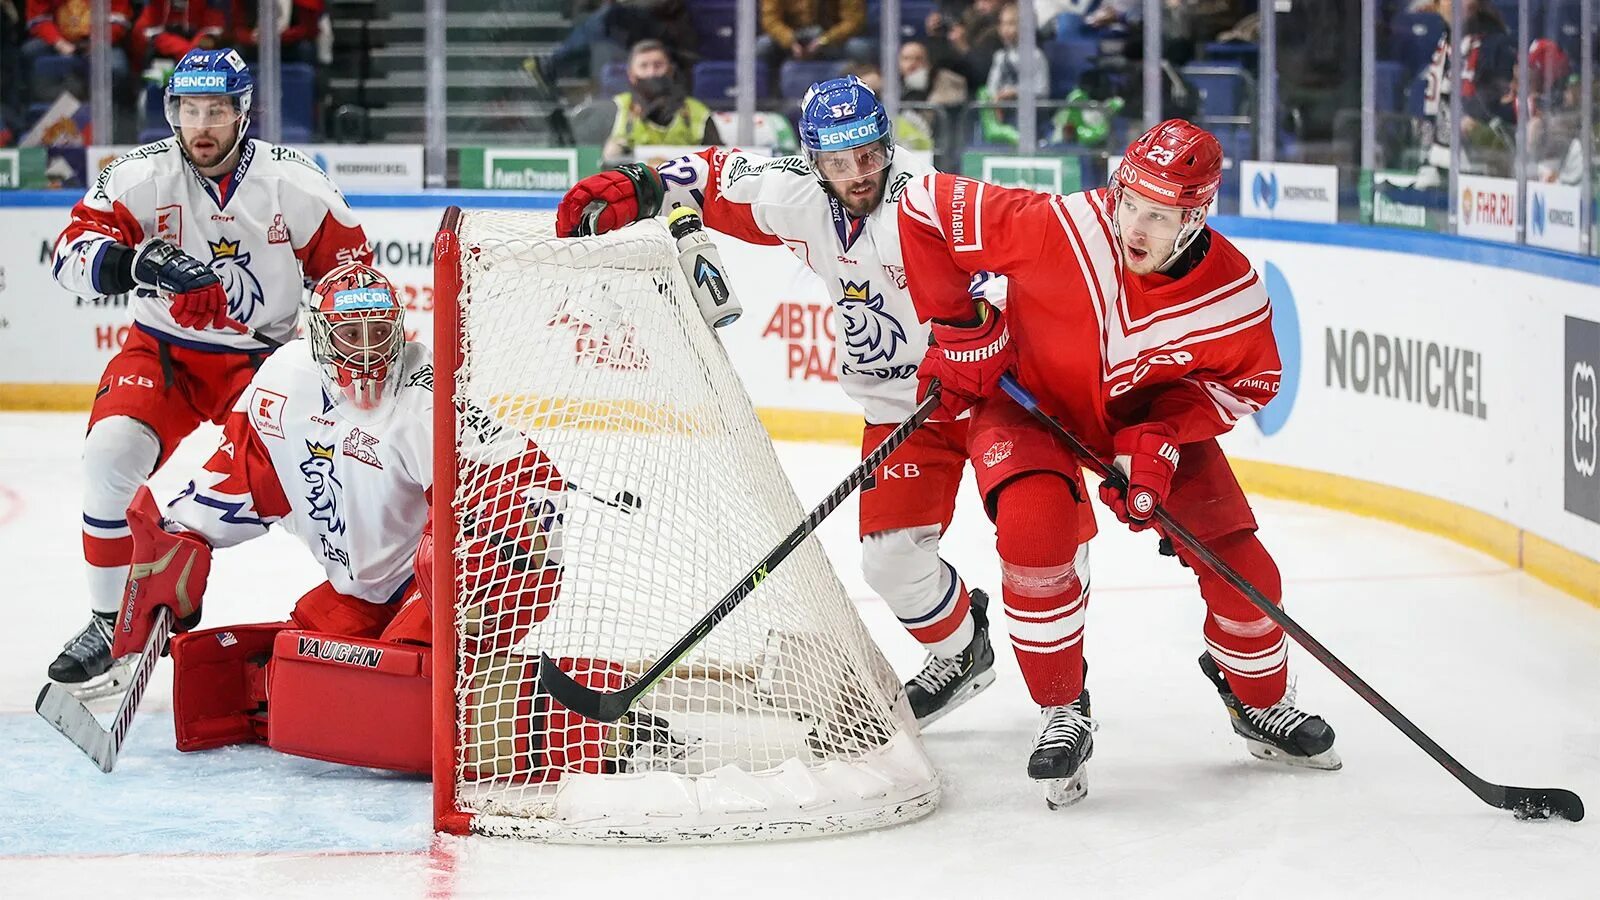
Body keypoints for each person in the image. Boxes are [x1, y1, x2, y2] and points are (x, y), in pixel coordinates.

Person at [553, 75, 1031, 728]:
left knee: (1042, 539)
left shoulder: (927, 202)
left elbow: (1007, 275)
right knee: (892, 562)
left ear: (888, 144)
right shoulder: (795, 193)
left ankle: (1072, 697)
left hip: (992, 392)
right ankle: (960, 651)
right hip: (903, 407)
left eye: (869, 154)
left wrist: (981, 332)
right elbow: (712, 174)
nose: (859, 173)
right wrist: (640, 184)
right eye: (838, 161)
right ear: (812, 160)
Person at [897, 118, 1340, 808]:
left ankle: (1259, 701)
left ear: (1197, 214)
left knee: (1247, 572)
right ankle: (1062, 709)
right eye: (1131, 202)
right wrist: (960, 330)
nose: (1136, 225)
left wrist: (1163, 434)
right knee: (1035, 537)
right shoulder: (1061, 227)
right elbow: (922, 205)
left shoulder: (1234, 293)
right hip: (1027, 401)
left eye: (1160, 215)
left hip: (1141, 421)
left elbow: (1247, 385)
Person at [110, 262, 672, 774]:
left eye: (379, 331)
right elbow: (249, 471)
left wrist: (455, 552)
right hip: (373, 585)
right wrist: (184, 533)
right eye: (349, 334)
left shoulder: (427, 398)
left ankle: (602, 720)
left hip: (475, 573)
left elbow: (527, 481)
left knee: (406, 697)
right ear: (319, 338)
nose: (366, 351)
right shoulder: (284, 384)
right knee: (306, 657)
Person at [44, 47, 371, 700]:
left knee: (324, 491)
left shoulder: (295, 185)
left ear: (242, 111)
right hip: (163, 354)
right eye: (188, 110)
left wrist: (339, 339)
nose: (201, 126)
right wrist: (139, 264)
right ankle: (110, 623)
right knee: (108, 459)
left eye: (216, 111)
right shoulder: (138, 176)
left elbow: (352, 276)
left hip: (264, 364)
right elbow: (69, 254)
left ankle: (369, 609)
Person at [1415, 0, 1515, 186]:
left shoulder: (1495, 45)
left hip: (1477, 168)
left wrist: (1479, 123)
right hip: (1439, 161)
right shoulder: (1444, 44)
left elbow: (1503, 103)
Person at [600, 39, 720, 164]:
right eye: (643, 66)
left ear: (670, 70)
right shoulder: (616, 108)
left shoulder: (698, 112)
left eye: (658, 65)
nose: (651, 73)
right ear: (631, 75)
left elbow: (719, 162)